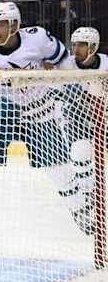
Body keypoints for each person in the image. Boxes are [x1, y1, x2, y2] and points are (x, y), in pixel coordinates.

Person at [0, 2, 78, 231]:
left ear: (15, 25)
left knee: (59, 169)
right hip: (5, 110)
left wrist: (63, 86)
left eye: (1, 25)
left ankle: (81, 210)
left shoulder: (37, 39)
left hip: (40, 109)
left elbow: (65, 61)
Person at [55, 27, 108, 234]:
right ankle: (88, 196)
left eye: (81, 45)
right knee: (80, 152)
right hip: (75, 117)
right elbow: (56, 90)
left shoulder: (105, 63)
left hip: (103, 115)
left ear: (92, 47)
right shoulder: (65, 65)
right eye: (74, 44)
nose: (76, 49)